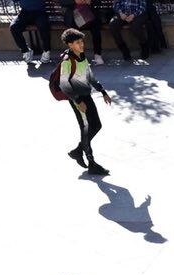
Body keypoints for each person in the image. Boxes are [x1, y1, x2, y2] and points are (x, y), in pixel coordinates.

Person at [53, 30, 110, 175]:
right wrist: (78, 101)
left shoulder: (82, 57)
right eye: (78, 42)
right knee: (85, 128)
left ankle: (78, 151)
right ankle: (91, 163)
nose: (81, 44)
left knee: (96, 125)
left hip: (86, 96)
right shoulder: (67, 61)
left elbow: (90, 77)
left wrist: (103, 91)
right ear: (70, 44)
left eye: (82, 41)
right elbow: (64, 85)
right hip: (77, 99)